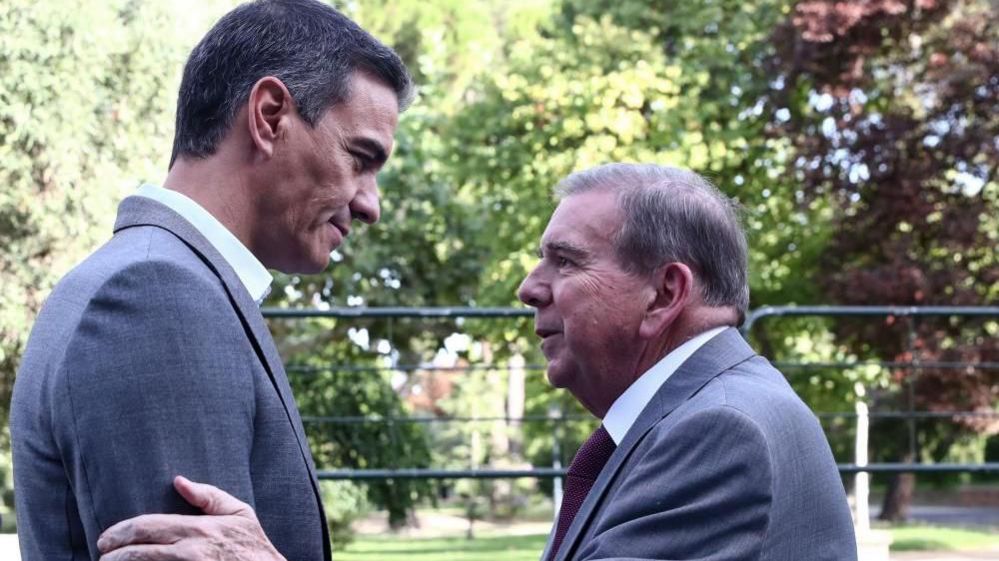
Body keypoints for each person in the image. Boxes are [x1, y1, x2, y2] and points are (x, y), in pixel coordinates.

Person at [95, 164, 857, 561]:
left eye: (563, 261)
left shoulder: (720, 433)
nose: (529, 287)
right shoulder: (712, 411)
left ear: (664, 292)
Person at [9, 1, 411, 560]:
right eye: (360, 158)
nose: (371, 205)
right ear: (269, 117)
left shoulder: (144, 278)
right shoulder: (158, 299)